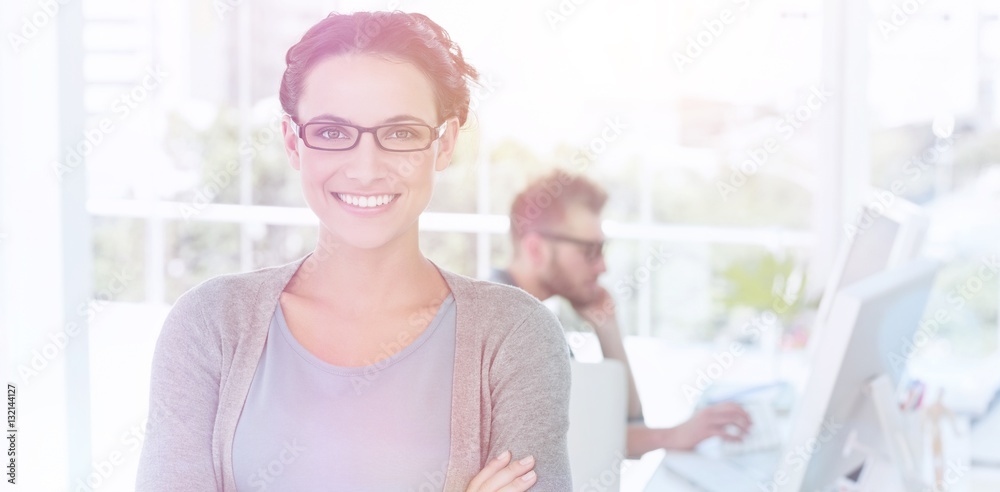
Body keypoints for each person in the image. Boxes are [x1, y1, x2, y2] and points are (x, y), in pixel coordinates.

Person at [136, 12, 572, 491]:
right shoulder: (210, 324)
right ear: (293, 143)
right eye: (331, 132)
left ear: (443, 143)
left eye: (401, 133)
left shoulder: (514, 335)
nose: (366, 169)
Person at [491, 169, 752, 459]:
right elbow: (586, 443)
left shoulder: (527, 310)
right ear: (536, 249)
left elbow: (619, 423)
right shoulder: (509, 325)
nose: (603, 267)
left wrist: (608, 327)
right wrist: (674, 435)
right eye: (590, 250)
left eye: (603, 250)